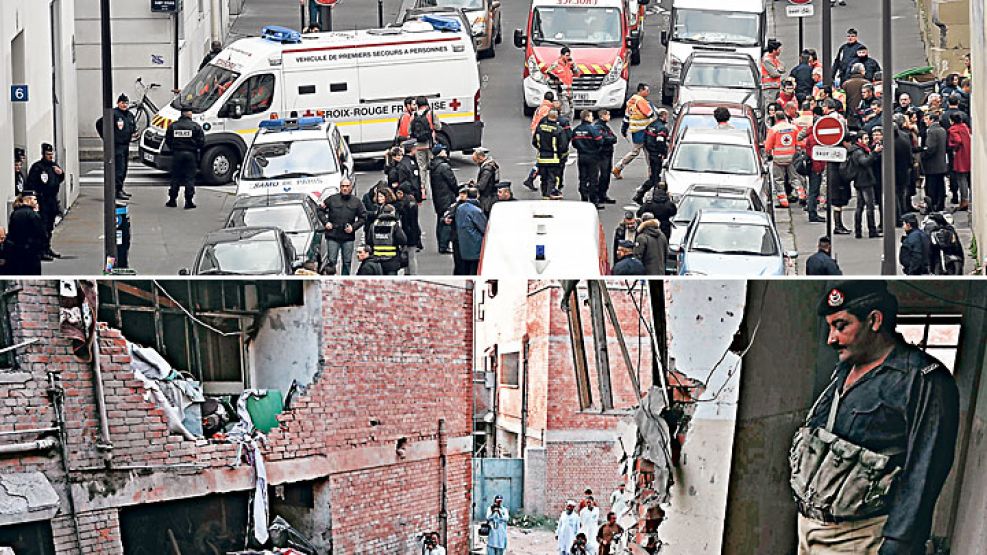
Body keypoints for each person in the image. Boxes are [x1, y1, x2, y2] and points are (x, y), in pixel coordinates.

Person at [791, 281, 958, 553]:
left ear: (874, 320)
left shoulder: (922, 378)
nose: (831, 339)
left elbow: (925, 469)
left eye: (841, 326)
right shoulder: (844, 369)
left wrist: (899, 542)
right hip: (810, 528)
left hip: (861, 536)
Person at [25, 143, 64, 260]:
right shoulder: (37, 167)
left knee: (49, 227)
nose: (50, 156)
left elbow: (59, 179)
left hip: (52, 200)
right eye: (48, 154)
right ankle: (41, 251)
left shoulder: (53, 166)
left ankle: (47, 248)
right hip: (42, 201)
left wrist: (61, 174)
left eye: (51, 154)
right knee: (42, 227)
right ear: (43, 154)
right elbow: (31, 185)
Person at [320, 179, 367, 276]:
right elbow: (320, 210)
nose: (345, 188)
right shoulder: (332, 199)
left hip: (348, 237)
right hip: (333, 235)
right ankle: (331, 279)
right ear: (340, 187)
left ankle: (344, 279)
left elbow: (363, 217)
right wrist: (326, 222)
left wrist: (353, 227)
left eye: (347, 186)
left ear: (351, 187)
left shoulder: (356, 202)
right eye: (343, 186)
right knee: (331, 261)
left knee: (347, 262)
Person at [95, 93, 136, 200]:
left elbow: (132, 127)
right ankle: (116, 191)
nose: (124, 105)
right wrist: (107, 139)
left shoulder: (130, 115)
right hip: (116, 146)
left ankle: (120, 189)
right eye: (122, 103)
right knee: (118, 169)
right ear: (118, 103)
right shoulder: (113, 114)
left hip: (125, 145)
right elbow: (99, 124)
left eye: (126, 103)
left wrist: (133, 134)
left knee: (124, 169)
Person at [164, 105, 205, 209]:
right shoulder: (195, 126)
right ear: (189, 114)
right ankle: (189, 201)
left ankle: (172, 200)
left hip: (177, 154)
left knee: (175, 177)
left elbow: (168, 140)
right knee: (189, 178)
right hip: (191, 154)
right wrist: (195, 147)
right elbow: (201, 141)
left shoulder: (173, 126)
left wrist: (174, 148)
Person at [843, 132, 882, 239]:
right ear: (859, 140)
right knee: (869, 206)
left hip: (860, 180)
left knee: (860, 206)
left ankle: (858, 230)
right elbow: (864, 162)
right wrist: (874, 153)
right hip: (865, 181)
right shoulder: (858, 152)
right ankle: (871, 230)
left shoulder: (858, 150)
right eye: (865, 138)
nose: (867, 140)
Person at [612, 83, 655, 179]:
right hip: (644, 131)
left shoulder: (631, 101)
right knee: (647, 152)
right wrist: (650, 106)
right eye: (646, 90)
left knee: (637, 152)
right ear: (641, 90)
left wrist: (624, 129)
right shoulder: (641, 101)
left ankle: (618, 168)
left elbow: (627, 117)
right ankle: (652, 174)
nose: (648, 92)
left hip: (636, 131)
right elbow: (650, 114)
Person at [765, 112, 804, 208]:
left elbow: (768, 147)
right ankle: (801, 194)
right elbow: (799, 142)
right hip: (791, 158)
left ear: (776, 118)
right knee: (794, 178)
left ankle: (783, 202)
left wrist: (769, 154)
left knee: (779, 180)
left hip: (778, 158)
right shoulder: (793, 128)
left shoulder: (773, 129)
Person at [3, 192, 47, 276]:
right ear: (29, 200)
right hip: (32, 252)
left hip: (17, 251)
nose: (36, 202)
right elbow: (41, 233)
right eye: (34, 199)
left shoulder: (15, 213)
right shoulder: (33, 214)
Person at [632, 108, 670, 203]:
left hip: (651, 154)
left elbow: (644, 139)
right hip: (657, 155)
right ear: (663, 116)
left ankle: (640, 193)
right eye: (666, 116)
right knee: (656, 178)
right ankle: (654, 198)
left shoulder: (650, 125)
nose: (667, 118)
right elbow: (660, 143)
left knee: (654, 177)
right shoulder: (662, 128)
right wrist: (663, 153)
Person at [524, 91, 557, 192]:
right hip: (542, 135)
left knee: (541, 159)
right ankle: (530, 178)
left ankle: (531, 178)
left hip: (537, 133)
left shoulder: (540, 107)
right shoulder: (547, 109)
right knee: (542, 159)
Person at [429, 144, 460, 253]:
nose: (445, 151)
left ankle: (441, 244)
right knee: (447, 220)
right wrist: (458, 192)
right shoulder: (444, 166)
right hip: (446, 197)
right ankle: (444, 245)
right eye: (443, 150)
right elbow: (452, 182)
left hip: (438, 198)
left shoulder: (434, 165)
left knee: (440, 220)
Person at [571, 110, 604, 207]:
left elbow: (574, 143)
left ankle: (584, 198)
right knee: (593, 179)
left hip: (581, 156)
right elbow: (600, 141)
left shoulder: (576, 130)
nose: (592, 118)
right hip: (593, 156)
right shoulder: (592, 129)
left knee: (582, 178)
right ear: (586, 117)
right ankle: (593, 200)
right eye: (591, 116)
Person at [532, 111, 567, 199]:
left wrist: (541, 149)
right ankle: (550, 194)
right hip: (554, 159)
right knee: (552, 178)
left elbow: (534, 142)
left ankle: (544, 194)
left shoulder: (540, 128)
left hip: (542, 158)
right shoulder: (558, 130)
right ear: (556, 117)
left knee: (543, 178)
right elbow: (563, 146)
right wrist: (561, 155)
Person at [366, 204, 406, 275]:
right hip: (392, 259)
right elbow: (403, 240)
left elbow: (369, 240)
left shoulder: (374, 225)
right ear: (392, 212)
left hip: (377, 259)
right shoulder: (394, 225)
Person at [455, 188, 486, 275]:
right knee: (474, 269)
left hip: (463, 243)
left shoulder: (460, 208)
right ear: (477, 195)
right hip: (475, 243)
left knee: (465, 268)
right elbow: (483, 228)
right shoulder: (476, 211)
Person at [921, 112, 948, 212]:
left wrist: (923, 155)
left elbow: (930, 148)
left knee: (931, 187)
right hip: (941, 163)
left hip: (932, 164)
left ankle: (931, 206)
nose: (925, 121)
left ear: (932, 120)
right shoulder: (942, 130)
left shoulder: (931, 131)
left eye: (926, 119)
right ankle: (940, 205)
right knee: (940, 185)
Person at [412, 96, 439, 195]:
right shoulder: (432, 113)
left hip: (419, 145)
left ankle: (422, 189)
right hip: (430, 144)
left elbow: (409, 131)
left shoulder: (414, 115)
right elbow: (438, 126)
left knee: (421, 167)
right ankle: (435, 187)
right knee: (433, 166)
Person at [394, 185, 422, 274]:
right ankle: (412, 273)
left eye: (399, 193)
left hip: (407, 233)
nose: (397, 195)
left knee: (409, 256)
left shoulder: (403, 205)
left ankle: (410, 274)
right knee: (411, 256)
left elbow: (406, 221)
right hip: (413, 233)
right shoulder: (412, 202)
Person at [546, 47, 580, 121]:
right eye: (567, 55)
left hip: (570, 91)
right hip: (562, 91)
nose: (568, 57)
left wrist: (574, 66)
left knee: (571, 111)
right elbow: (548, 77)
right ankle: (563, 128)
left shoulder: (569, 64)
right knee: (565, 111)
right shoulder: (556, 65)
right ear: (562, 55)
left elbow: (577, 74)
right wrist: (556, 82)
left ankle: (569, 128)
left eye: (569, 55)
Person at [946, 112, 971, 211]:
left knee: (961, 178)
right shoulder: (964, 127)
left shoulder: (953, 129)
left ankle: (964, 200)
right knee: (966, 177)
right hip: (968, 153)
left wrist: (953, 147)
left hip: (960, 155)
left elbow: (958, 140)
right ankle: (967, 199)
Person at [594, 110, 618, 204]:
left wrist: (611, 139)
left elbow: (614, 138)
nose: (609, 116)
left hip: (608, 153)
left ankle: (603, 194)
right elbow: (605, 139)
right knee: (603, 174)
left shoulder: (605, 127)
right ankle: (598, 195)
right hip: (602, 154)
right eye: (608, 115)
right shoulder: (598, 127)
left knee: (607, 174)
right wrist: (610, 139)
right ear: (602, 116)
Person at [472, 147, 501, 214]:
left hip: (487, 198)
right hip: (492, 194)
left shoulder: (487, 169)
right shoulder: (492, 165)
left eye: (476, 161)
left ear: (480, 158)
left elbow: (482, 185)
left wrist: (474, 185)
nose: (476, 163)